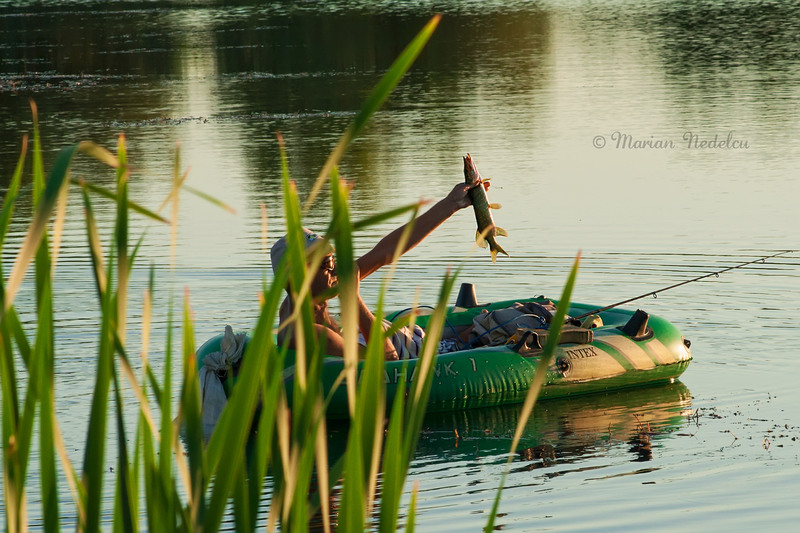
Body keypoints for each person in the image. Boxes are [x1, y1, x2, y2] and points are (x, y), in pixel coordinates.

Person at [271, 182, 475, 361]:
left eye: (333, 260)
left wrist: (451, 204)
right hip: (420, 355)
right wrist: (354, 300)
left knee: (483, 325)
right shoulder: (306, 333)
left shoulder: (311, 296)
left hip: (412, 339)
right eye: (326, 264)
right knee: (493, 328)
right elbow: (388, 359)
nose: (335, 268)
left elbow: (385, 252)